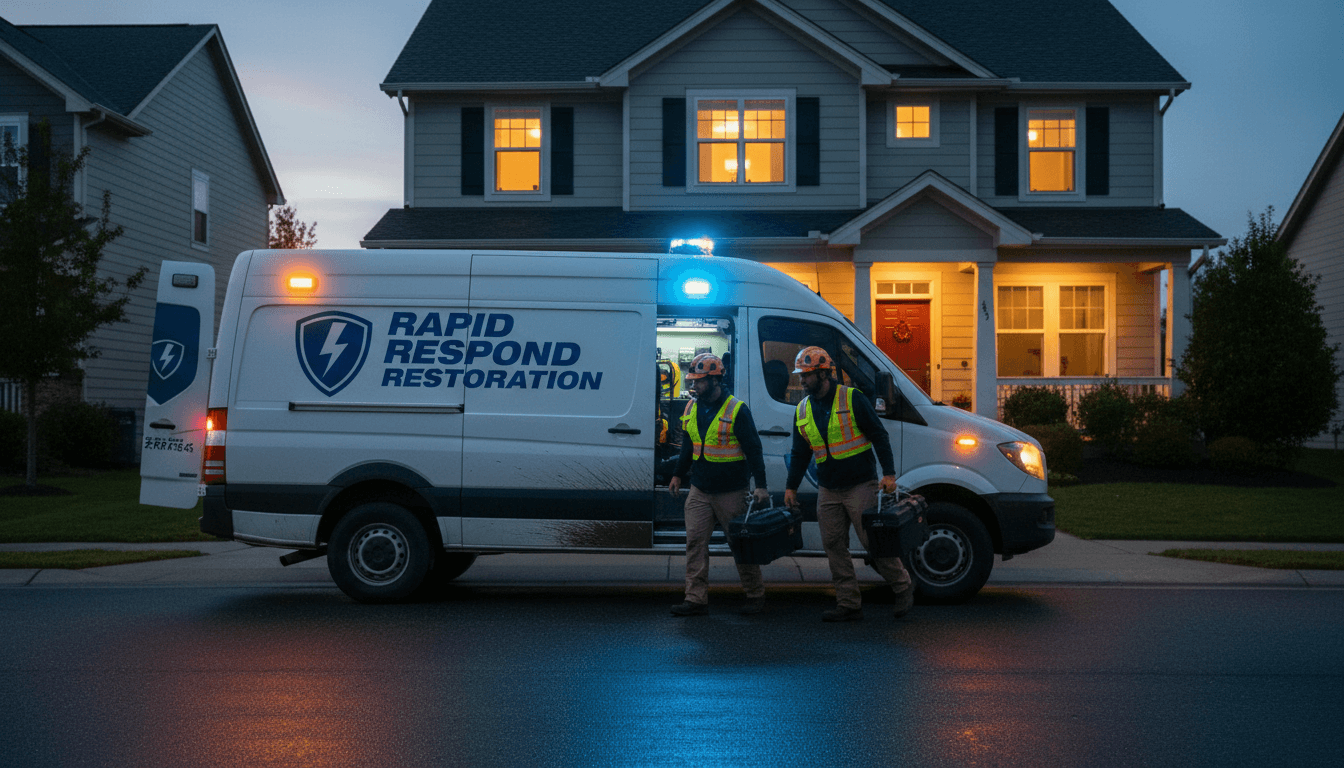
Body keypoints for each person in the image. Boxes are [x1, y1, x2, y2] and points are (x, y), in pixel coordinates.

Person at [783, 346, 913, 622]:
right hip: (828, 488)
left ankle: (902, 587)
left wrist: (888, 474)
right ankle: (849, 603)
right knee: (833, 544)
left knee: (872, 542)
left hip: (860, 485)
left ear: (823, 374)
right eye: (801, 376)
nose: (802, 381)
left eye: (806, 376)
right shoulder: (803, 409)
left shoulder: (852, 398)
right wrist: (790, 487)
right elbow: (800, 453)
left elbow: (879, 435)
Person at [668, 353, 771, 616]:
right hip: (700, 489)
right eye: (694, 381)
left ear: (715, 381)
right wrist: (678, 474)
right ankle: (695, 599)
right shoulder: (692, 406)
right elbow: (689, 446)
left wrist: (760, 485)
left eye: (700, 382)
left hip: (731, 492)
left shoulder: (737, 409)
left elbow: (754, 450)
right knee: (695, 544)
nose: (695, 386)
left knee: (739, 545)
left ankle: (755, 594)